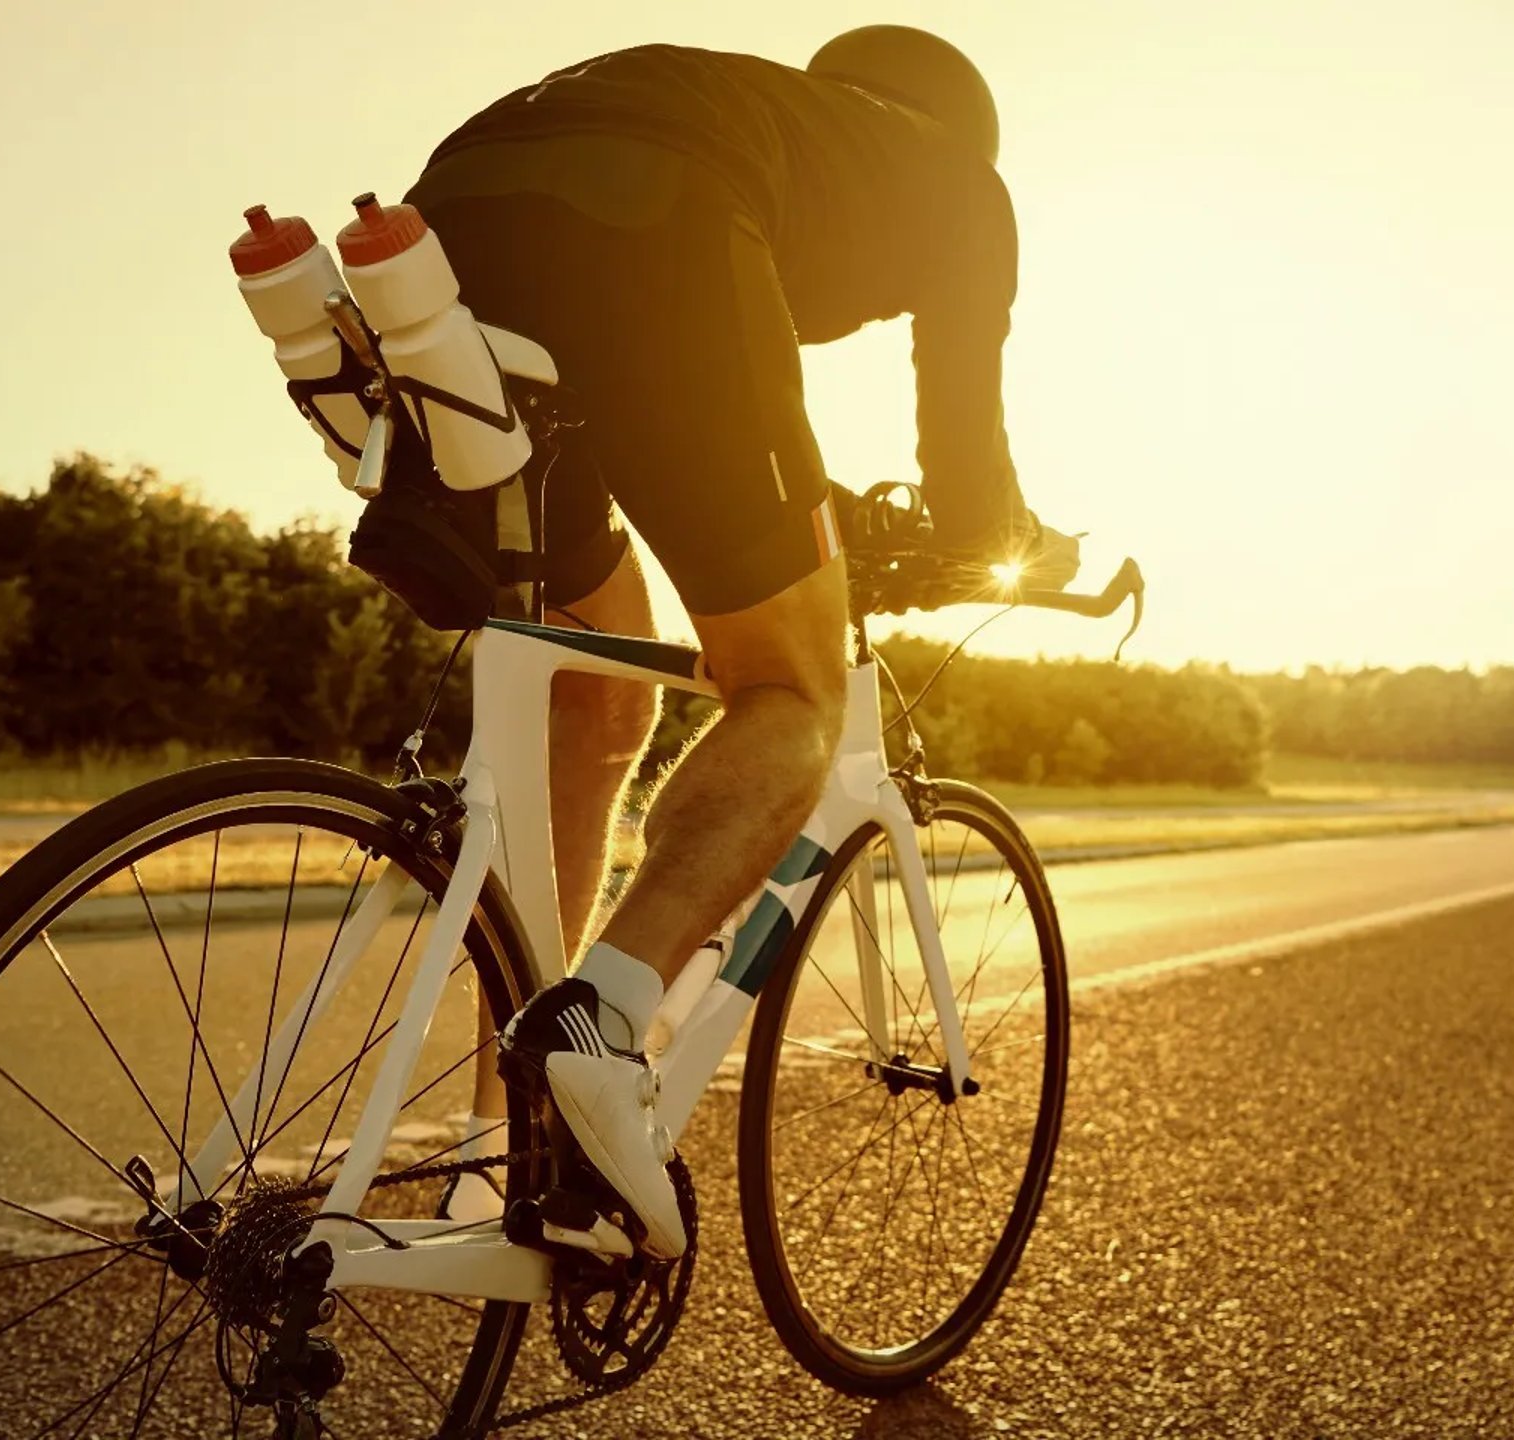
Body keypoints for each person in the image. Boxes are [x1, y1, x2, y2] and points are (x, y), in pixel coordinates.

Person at [405, 27, 1079, 1257]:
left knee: (597, 701)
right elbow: (966, 449)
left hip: (446, 227)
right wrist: (1011, 540)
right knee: (790, 691)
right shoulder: (961, 183)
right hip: (655, 220)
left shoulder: (771, 114)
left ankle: (504, 1145)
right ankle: (598, 1031)